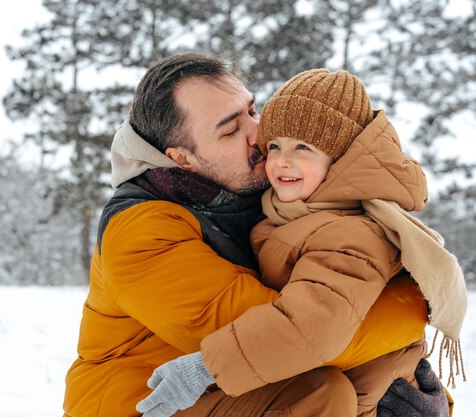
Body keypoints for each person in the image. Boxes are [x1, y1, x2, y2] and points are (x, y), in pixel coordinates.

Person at [62, 54, 452, 417]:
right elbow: (301, 333)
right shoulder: (143, 232)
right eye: (232, 129)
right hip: (140, 403)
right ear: (182, 157)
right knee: (321, 392)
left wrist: (406, 377)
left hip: (223, 390)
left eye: (252, 110)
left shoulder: (261, 197)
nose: (259, 131)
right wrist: (415, 307)